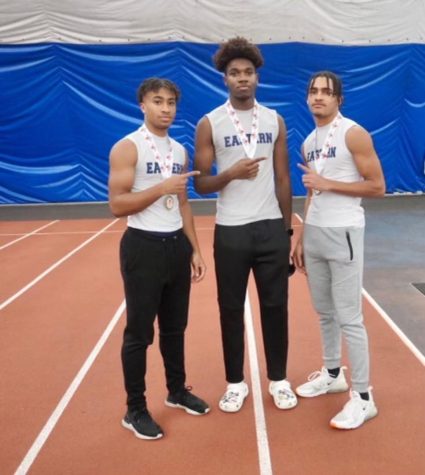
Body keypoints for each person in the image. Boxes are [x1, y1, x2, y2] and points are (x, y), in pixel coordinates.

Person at [194, 37, 296, 412]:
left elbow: (284, 179)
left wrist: (286, 231)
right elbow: (201, 183)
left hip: (270, 228)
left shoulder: (275, 120)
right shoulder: (210, 123)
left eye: (248, 72)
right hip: (232, 231)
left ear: (257, 77)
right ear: (224, 79)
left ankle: (279, 380)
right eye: (234, 73)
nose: (242, 79)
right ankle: (235, 383)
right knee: (230, 308)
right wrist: (231, 173)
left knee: (276, 307)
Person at [108, 77, 210, 440]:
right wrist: (160, 188)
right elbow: (117, 205)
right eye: (157, 101)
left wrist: (195, 249)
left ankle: (176, 390)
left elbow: (182, 202)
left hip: (175, 248)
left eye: (170, 103)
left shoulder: (179, 151)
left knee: (174, 328)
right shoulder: (128, 148)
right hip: (142, 247)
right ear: (143, 105)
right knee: (139, 333)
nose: (165, 108)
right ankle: (134, 408)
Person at [293, 71, 385, 430]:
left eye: (326, 92)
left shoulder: (353, 133)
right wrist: (301, 236)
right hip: (315, 233)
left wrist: (326, 182)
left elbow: (377, 186)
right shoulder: (309, 142)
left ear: (339, 100)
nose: (319, 97)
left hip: (344, 233)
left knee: (350, 317)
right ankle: (334, 374)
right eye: (313, 91)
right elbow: (312, 194)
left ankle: (364, 398)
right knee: (325, 311)